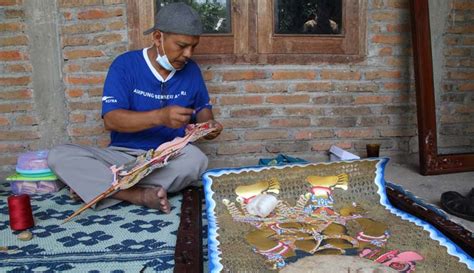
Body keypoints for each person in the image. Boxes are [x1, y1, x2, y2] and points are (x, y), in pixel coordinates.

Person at [48, 2, 223, 214]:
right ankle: (136, 194)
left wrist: (209, 128)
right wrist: (160, 117)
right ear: (158, 37)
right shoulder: (125, 65)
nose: (188, 53)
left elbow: (203, 112)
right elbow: (111, 120)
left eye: (193, 47)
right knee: (59, 156)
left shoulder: (191, 70)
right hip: (123, 157)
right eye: (181, 45)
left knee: (197, 161)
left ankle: (102, 187)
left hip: (167, 157)